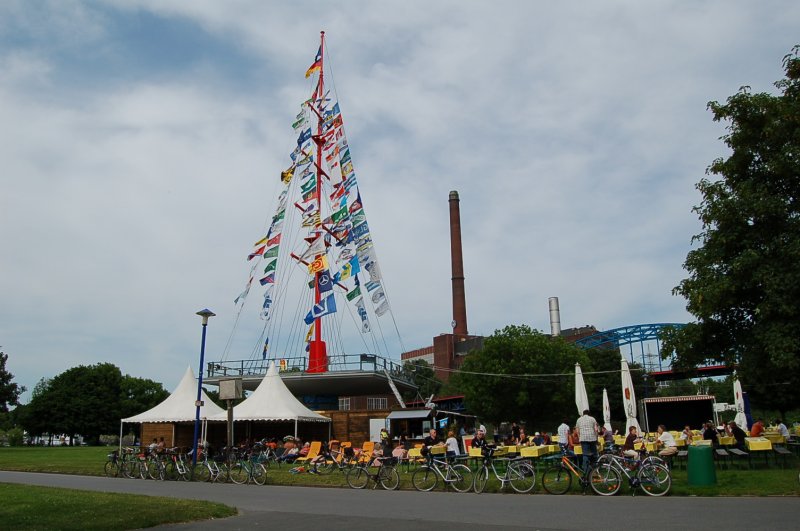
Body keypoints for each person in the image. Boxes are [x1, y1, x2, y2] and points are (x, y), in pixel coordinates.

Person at [575, 409, 600, 475]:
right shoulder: (593, 419)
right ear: (589, 413)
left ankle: (586, 471)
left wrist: (580, 437)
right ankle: (595, 470)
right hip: (592, 438)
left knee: (585, 455)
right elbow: (596, 430)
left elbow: (577, 431)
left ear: (583, 414)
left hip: (583, 438)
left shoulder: (579, 419)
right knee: (594, 454)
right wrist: (596, 439)